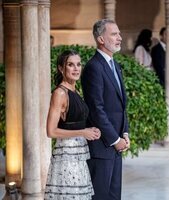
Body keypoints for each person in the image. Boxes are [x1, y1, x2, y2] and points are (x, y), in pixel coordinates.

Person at [81, 19, 130, 200]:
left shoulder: (114, 65)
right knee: (101, 196)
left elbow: (120, 105)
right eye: (114, 34)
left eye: (119, 33)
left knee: (114, 195)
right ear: (101, 39)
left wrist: (125, 133)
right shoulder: (94, 67)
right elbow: (96, 109)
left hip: (116, 145)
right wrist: (114, 139)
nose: (120, 38)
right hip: (102, 146)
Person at [44, 50, 101, 200]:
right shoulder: (60, 93)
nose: (76, 68)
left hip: (79, 154)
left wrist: (90, 130)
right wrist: (83, 132)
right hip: (67, 156)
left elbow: (75, 123)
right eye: (70, 65)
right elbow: (51, 131)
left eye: (78, 64)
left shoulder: (74, 90)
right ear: (61, 68)